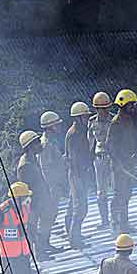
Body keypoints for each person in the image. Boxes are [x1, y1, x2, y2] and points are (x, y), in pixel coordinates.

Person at [16, 130, 59, 260]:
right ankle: (39, 254)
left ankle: (44, 245)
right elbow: (26, 188)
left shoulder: (32, 158)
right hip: (34, 202)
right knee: (32, 229)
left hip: (41, 198)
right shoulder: (25, 165)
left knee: (49, 218)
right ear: (29, 146)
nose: (40, 144)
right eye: (37, 143)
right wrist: (32, 206)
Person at [106, 89, 137, 235]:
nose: (133, 108)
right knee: (118, 194)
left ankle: (125, 224)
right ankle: (115, 225)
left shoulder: (129, 121)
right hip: (119, 165)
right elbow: (109, 146)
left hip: (128, 163)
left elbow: (130, 142)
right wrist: (118, 163)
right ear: (124, 105)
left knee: (127, 194)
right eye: (131, 105)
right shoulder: (116, 123)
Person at [65, 102, 94, 249]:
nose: (88, 118)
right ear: (78, 118)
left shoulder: (81, 131)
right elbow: (74, 158)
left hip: (80, 173)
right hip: (77, 174)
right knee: (80, 207)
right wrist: (79, 179)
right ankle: (74, 240)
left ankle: (73, 235)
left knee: (73, 205)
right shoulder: (74, 134)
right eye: (85, 116)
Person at [39, 110, 69, 236]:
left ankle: (46, 239)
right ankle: (44, 241)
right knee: (50, 213)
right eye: (56, 125)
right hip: (52, 185)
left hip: (54, 184)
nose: (59, 127)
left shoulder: (51, 141)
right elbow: (47, 168)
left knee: (52, 212)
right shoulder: (46, 144)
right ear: (50, 127)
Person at [89, 91, 114, 228]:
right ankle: (105, 220)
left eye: (106, 108)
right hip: (99, 159)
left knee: (116, 189)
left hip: (113, 157)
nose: (104, 111)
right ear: (96, 108)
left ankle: (117, 218)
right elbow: (90, 142)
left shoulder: (114, 120)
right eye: (101, 108)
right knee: (101, 191)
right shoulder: (92, 122)